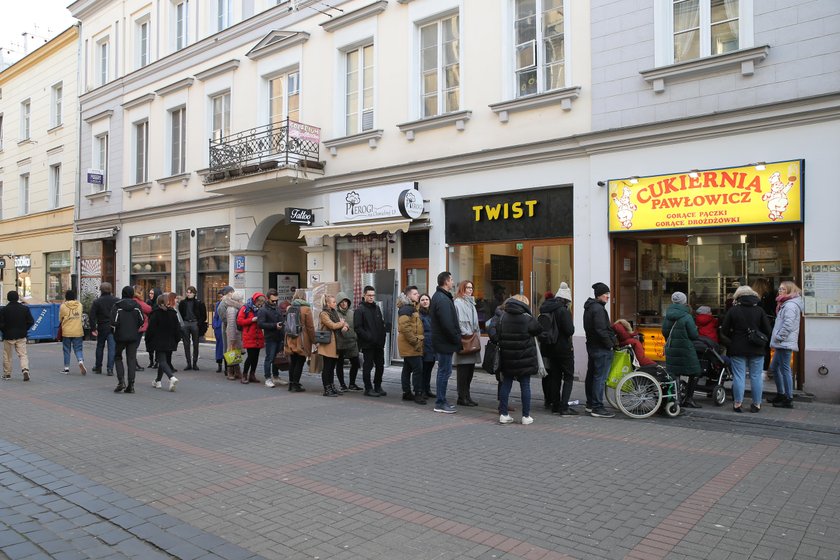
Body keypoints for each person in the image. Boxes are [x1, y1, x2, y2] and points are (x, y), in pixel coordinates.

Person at [721, 285, 772, 413]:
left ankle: (738, 403)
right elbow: (768, 330)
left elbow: (724, 331)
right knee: (756, 376)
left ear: (738, 297)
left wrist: (730, 343)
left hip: (737, 348)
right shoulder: (760, 310)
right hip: (757, 348)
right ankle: (757, 404)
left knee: (739, 376)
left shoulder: (733, 310)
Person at [494, 294, 542, 425]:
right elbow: (538, 329)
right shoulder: (527, 318)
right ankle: (526, 416)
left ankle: (503, 414)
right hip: (524, 358)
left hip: (507, 357)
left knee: (506, 384)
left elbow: (496, 333)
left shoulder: (503, 316)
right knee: (525, 385)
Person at [539, 282, 577, 415]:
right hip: (563, 349)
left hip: (549, 347)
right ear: (566, 300)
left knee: (554, 377)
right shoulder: (563, 310)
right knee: (568, 377)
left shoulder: (546, 308)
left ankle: (555, 405)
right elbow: (569, 330)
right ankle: (564, 407)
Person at [662, 291, 703, 408]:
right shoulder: (687, 316)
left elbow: (664, 332)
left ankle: (677, 399)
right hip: (686, 349)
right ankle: (689, 399)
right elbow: (694, 335)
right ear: (684, 302)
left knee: (675, 373)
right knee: (695, 372)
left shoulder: (668, 315)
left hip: (671, 348)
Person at [583, 282, 618, 418]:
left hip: (592, 346)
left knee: (592, 375)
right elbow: (601, 329)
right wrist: (610, 344)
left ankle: (590, 404)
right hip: (600, 348)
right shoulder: (598, 309)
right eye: (606, 294)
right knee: (600, 377)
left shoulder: (590, 307)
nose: (608, 297)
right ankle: (597, 406)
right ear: (599, 295)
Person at [769, 281, 804, 409]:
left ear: (789, 291)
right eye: (779, 288)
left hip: (784, 343)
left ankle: (788, 398)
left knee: (785, 369)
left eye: (783, 289)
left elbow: (788, 324)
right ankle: (781, 394)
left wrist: (779, 337)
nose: (780, 291)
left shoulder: (790, 305)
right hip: (782, 343)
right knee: (775, 367)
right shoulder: (785, 303)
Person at [430, 271, 461, 414]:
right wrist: (456, 338)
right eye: (452, 279)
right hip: (444, 342)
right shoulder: (442, 299)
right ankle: (440, 402)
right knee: (444, 372)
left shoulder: (441, 297)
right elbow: (447, 324)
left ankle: (442, 400)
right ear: (446, 281)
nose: (453, 282)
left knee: (444, 371)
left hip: (443, 341)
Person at [110, 286, 145, 393]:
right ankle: (131, 384)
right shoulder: (137, 306)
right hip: (133, 336)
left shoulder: (117, 306)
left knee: (118, 357)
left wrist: (116, 329)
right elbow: (142, 320)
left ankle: (121, 381)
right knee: (131, 359)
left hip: (120, 336)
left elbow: (113, 322)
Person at [354, 286, 388, 397]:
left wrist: (382, 337)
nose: (371, 297)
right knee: (368, 366)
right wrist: (368, 337)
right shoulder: (360, 310)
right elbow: (358, 328)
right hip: (368, 344)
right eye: (369, 295)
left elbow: (381, 324)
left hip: (378, 343)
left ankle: (378, 386)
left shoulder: (377, 308)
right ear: (364, 295)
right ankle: (368, 388)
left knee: (380, 365)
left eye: (373, 295)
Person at [147, 293, 181, 392]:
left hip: (159, 341)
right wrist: (177, 339)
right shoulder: (173, 313)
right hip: (170, 341)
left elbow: (151, 329)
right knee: (163, 361)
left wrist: (148, 340)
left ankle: (171, 377)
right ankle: (158, 381)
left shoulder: (155, 313)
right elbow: (177, 328)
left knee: (161, 360)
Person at [453, 280, 480, 407]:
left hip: (472, 340)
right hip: (465, 341)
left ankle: (467, 396)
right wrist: (467, 334)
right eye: (467, 287)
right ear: (462, 289)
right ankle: (462, 396)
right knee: (463, 371)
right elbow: (458, 322)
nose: (470, 290)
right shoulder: (458, 302)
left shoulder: (471, 303)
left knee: (470, 371)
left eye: (471, 287)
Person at [397, 286, 426, 404]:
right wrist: (415, 341)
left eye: (417, 293)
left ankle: (407, 393)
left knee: (407, 368)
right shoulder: (406, 309)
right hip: (410, 344)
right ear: (408, 296)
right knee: (418, 369)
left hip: (409, 344)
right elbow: (405, 328)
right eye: (415, 294)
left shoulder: (412, 307)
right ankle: (418, 393)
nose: (417, 295)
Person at [284, 289, 314, 393]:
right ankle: (296, 384)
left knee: (293, 362)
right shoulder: (306, 309)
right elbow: (310, 327)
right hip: (302, 338)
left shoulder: (290, 307)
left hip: (291, 337)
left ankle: (291, 383)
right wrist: (313, 339)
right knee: (300, 362)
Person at [0, 291, 35, 381]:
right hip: (21, 335)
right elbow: (31, 321)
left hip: (8, 336)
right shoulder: (24, 309)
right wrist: (25, 329)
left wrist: (4, 330)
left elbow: (1, 324)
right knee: (23, 354)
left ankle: (7, 374)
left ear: (8, 298)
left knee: (7, 355)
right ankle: (25, 370)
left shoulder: (3, 310)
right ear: (17, 298)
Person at [258, 289, 288, 388]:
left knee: (277, 358)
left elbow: (281, 320)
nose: (275, 302)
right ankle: (267, 378)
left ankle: (276, 377)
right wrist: (274, 326)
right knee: (269, 358)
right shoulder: (263, 310)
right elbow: (261, 324)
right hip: (270, 337)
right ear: (268, 299)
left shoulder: (277, 308)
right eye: (273, 301)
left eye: (276, 300)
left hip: (279, 336)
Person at [317, 294, 346, 397]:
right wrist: (342, 324)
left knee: (332, 366)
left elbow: (341, 323)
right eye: (333, 302)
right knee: (327, 367)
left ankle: (332, 386)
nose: (335, 303)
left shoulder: (334, 312)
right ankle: (327, 388)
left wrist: (344, 325)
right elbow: (332, 325)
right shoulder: (323, 314)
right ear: (328, 304)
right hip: (328, 343)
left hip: (335, 343)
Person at [89, 282, 118, 375]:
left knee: (100, 347)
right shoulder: (116, 301)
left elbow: (92, 316)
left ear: (101, 290)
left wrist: (93, 328)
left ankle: (98, 367)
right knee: (112, 348)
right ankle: (110, 369)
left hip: (102, 327)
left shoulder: (97, 301)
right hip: (113, 327)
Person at [237, 292, 266, 385]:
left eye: (262, 301)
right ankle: (244, 375)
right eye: (259, 301)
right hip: (249, 335)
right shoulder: (246, 308)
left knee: (256, 356)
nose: (260, 303)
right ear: (254, 300)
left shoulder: (261, 309)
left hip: (258, 335)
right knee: (250, 356)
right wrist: (251, 320)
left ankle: (252, 374)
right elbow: (240, 321)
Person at [335, 292, 361, 391]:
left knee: (355, 363)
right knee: (340, 364)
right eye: (342, 302)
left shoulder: (352, 313)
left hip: (352, 342)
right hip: (340, 342)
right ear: (338, 303)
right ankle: (342, 384)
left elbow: (356, 326)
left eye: (346, 301)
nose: (344, 303)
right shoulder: (335, 314)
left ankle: (352, 384)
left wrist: (356, 336)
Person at [179, 286, 208, 371]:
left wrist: (198, 323)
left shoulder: (199, 303)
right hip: (186, 323)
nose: (188, 294)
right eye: (187, 292)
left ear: (194, 293)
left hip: (195, 323)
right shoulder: (183, 303)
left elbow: (204, 316)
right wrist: (182, 323)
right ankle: (188, 363)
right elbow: (180, 314)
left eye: (190, 292)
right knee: (186, 344)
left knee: (196, 344)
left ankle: (195, 363)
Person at [59, 290, 87, 375]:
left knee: (67, 349)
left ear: (66, 297)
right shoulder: (80, 305)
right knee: (78, 348)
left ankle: (66, 368)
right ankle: (80, 361)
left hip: (67, 331)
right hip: (78, 330)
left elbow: (60, 318)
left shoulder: (63, 306)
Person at [224, 291, 245, 382]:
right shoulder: (232, 309)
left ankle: (237, 370)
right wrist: (232, 338)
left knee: (236, 352)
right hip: (233, 333)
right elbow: (232, 324)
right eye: (241, 299)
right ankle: (230, 372)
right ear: (238, 300)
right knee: (231, 351)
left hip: (236, 333)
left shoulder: (236, 307)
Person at [418, 293, 436, 399]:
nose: (425, 301)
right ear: (419, 302)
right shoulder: (419, 315)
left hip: (432, 344)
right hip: (424, 344)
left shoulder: (432, 314)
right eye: (422, 300)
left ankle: (427, 389)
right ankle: (422, 390)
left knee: (429, 368)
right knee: (423, 369)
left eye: (427, 299)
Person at [131, 286, 152, 372]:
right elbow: (149, 309)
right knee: (134, 347)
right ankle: (134, 364)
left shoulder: (132, 300)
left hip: (133, 326)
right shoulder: (137, 301)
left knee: (133, 347)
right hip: (139, 327)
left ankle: (134, 364)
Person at [213, 286, 234, 373]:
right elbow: (216, 316)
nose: (221, 297)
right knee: (221, 346)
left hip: (229, 327)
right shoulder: (219, 304)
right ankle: (221, 364)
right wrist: (215, 326)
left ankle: (230, 367)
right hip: (220, 327)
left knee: (229, 347)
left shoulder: (233, 302)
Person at [145, 287, 163, 368]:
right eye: (150, 293)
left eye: (152, 293)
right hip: (149, 326)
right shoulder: (148, 302)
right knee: (149, 343)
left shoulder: (159, 304)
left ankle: (157, 361)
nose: (150, 295)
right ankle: (151, 360)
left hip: (157, 327)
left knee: (156, 344)